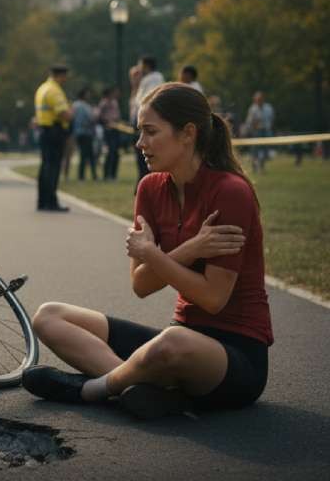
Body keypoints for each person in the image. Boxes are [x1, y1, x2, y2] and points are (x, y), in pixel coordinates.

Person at [22, 82, 272, 420]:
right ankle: (141, 390)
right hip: (178, 338)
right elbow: (141, 285)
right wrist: (191, 248)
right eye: (140, 132)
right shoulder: (150, 188)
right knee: (48, 316)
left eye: (151, 132)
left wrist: (154, 254)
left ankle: (90, 390)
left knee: (172, 343)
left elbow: (213, 298)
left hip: (234, 358)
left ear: (187, 133)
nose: (140, 143)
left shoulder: (230, 192)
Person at [34, 65, 72, 212]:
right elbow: (65, 114)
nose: (66, 79)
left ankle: (42, 201)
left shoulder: (42, 88)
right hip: (54, 131)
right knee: (53, 168)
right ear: (60, 75)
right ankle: (51, 202)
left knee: (45, 167)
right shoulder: (54, 91)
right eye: (65, 76)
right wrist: (71, 112)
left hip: (44, 130)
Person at [130, 57, 164, 184]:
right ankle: (142, 180)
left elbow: (146, 100)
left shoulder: (155, 78)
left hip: (146, 119)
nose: (139, 68)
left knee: (145, 152)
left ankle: (146, 181)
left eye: (140, 65)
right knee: (141, 153)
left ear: (146, 65)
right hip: (141, 119)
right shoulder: (147, 79)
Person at [71, 87, 98, 181]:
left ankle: (82, 176)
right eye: (87, 94)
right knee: (89, 155)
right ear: (84, 95)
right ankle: (92, 175)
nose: (89, 95)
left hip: (78, 133)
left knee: (83, 155)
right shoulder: (85, 106)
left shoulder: (74, 105)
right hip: (86, 133)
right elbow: (91, 119)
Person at [245, 91, 274, 173]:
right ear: (255, 100)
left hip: (266, 131)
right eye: (257, 99)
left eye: (260, 99)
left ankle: (262, 167)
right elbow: (249, 122)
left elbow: (271, 119)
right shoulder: (252, 109)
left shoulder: (269, 108)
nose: (258, 100)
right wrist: (254, 125)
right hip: (256, 132)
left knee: (265, 150)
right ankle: (254, 167)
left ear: (263, 99)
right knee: (254, 150)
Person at [98, 86, 121, 180]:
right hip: (108, 130)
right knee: (110, 152)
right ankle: (106, 174)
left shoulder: (115, 102)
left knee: (116, 153)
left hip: (116, 129)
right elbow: (99, 116)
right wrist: (106, 122)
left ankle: (113, 174)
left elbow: (117, 115)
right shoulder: (103, 103)